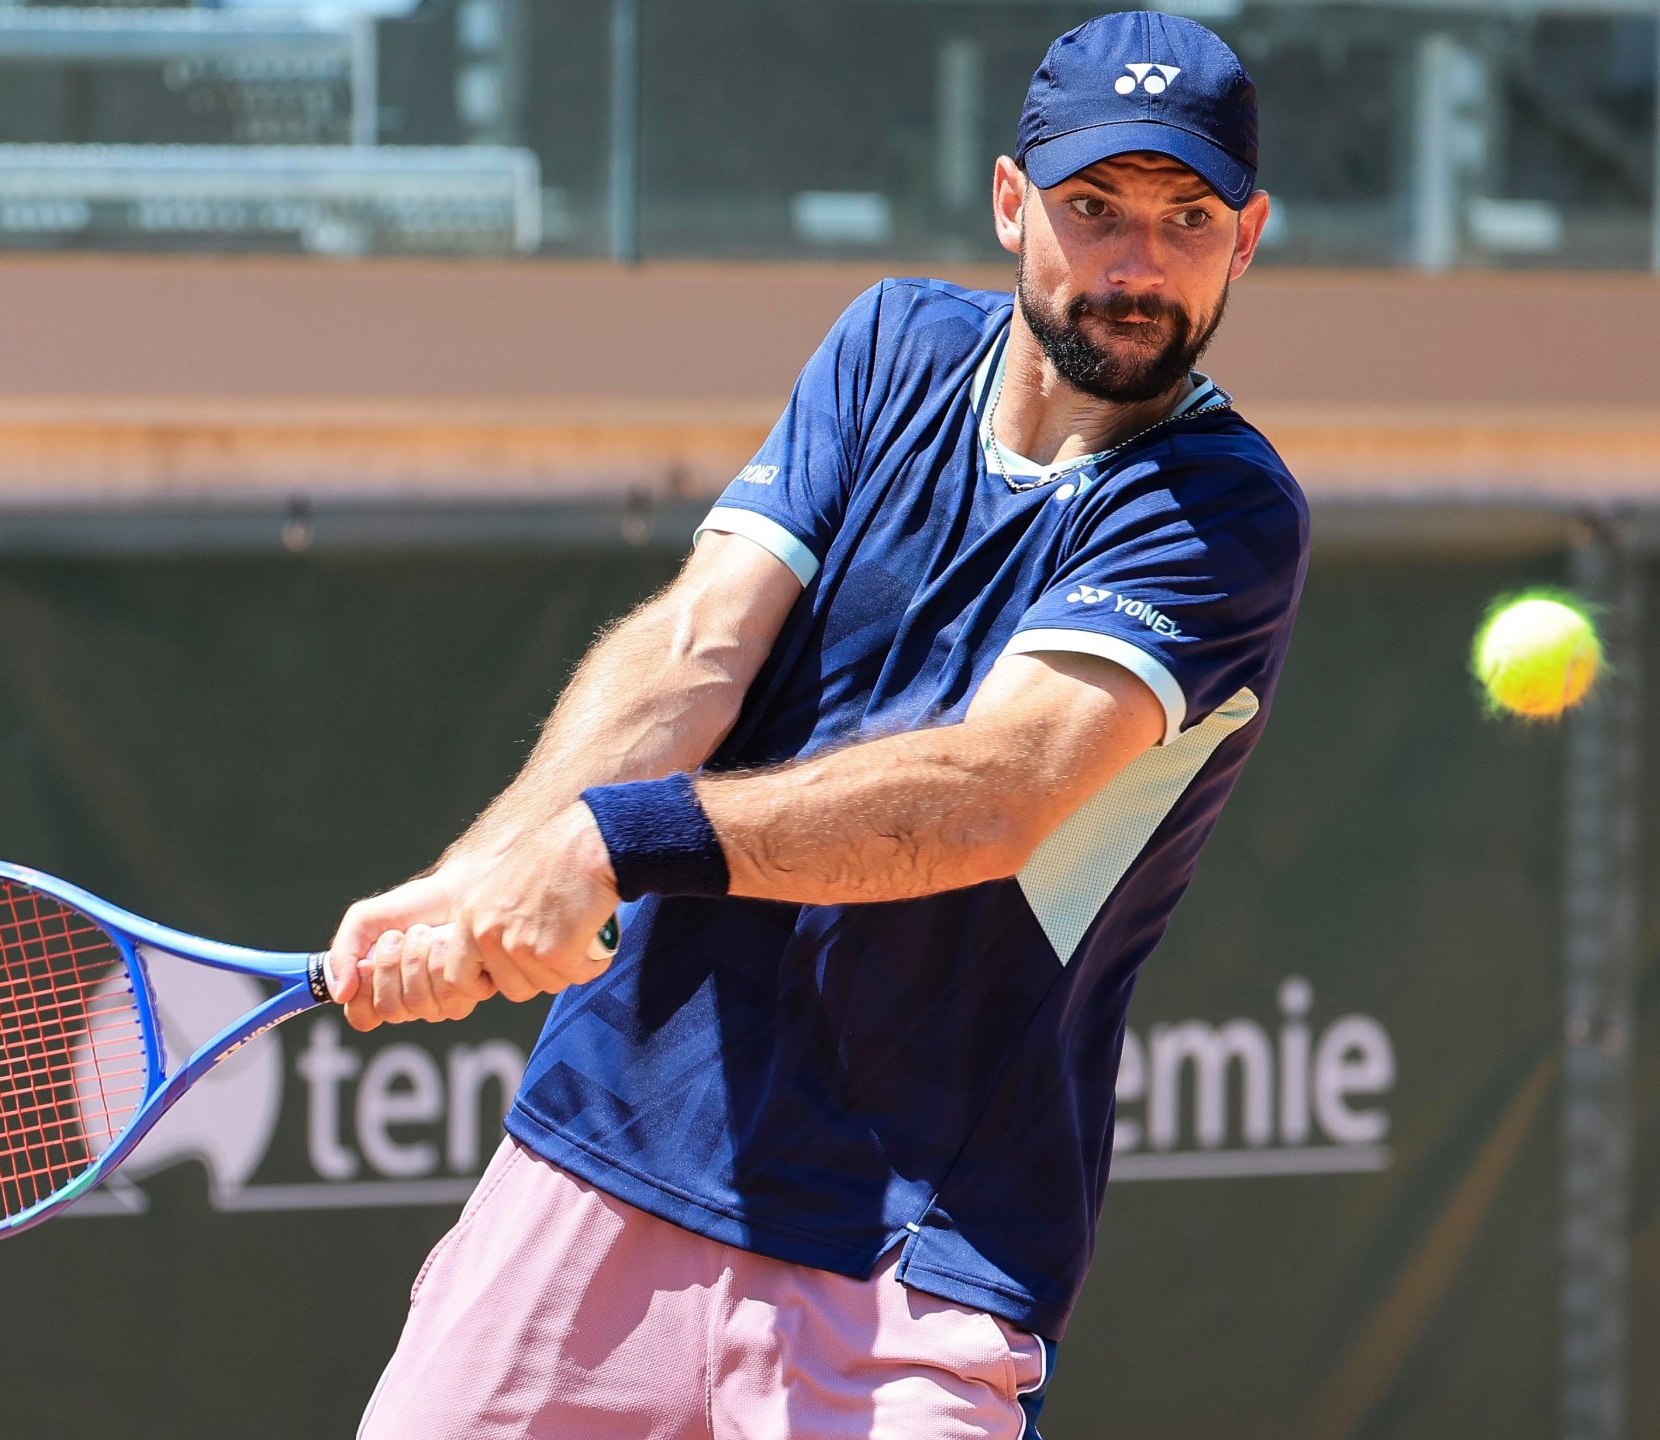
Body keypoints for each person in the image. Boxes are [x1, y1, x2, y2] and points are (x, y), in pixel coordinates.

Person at [329, 12, 1307, 1439]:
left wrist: (614, 841)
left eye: (1186, 218)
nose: (1137, 264)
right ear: (1011, 201)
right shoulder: (890, 346)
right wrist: (485, 871)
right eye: (1094, 208)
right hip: (609, 1157)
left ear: (1250, 234)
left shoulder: (1225, 514)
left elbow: (993, 794)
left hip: (915, 1260)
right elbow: (691, 651)